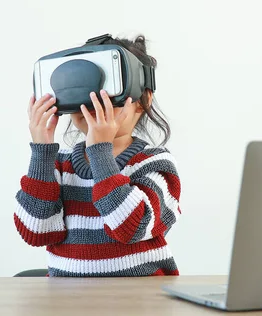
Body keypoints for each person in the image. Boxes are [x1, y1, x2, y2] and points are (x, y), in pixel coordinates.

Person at [13, 35, 182, 277]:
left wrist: (100, 153)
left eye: (106, 91)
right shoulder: (59, 164)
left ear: (143, 100)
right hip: (68, 300)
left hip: (140, 299)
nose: (91, 100)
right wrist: (41, 152)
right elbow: (36, 231)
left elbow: (132, 227)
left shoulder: (155, 164)